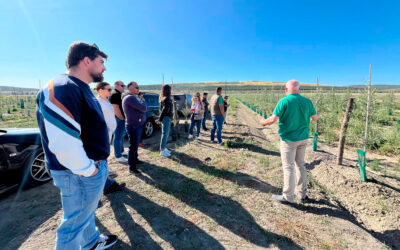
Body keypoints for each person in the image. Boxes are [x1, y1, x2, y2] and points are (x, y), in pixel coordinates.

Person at [36, 42, 118, 249]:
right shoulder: (63, 87)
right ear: (86, 61)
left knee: (84, 213)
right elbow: (63, 141)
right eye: (101, 62)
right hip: (78, 173)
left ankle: (90, 241)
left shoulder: (79, 88)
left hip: (85, 169)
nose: (104, 68)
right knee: (73, 225)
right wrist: (89, 170)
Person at [260, 80, 318, 204]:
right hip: (303, 138)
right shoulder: (307, 102)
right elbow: (315, 117)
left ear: (286, 90)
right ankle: (302, 195)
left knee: (288, 167)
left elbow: (272, 120)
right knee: (301, 165)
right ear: (299, 89)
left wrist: (263, 122)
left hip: (289, 140)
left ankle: (288, 197)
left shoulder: (284, 101)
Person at [95, 82, 126, 194]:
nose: (110, 91)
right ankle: (107, 184)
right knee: (101, 156)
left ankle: (106, 174)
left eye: (110, 89)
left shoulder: (105, 100)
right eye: (108, 89)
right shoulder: (97, 102)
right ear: (100, 90)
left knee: (104, 155)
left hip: (107, 133)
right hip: (102, 134)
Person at [122, 81, 147, 174]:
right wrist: (143, 101)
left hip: (136, 125)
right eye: (136, 87)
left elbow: (141, 109)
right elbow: (144, 108)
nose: (138, 89)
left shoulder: (133, 98)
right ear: (130, 88)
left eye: (138, 87)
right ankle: (131, 167)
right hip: (134, 125)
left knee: (135, 145)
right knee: (133, 146)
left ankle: (135, 160)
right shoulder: (130, 98)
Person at [110, 80, 128, 163]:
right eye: (122, 85)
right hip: (118, 118)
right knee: (118, 137)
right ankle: (118, 155)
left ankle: (121, 151)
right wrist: (122, 118)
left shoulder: (117, 93)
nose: (124, 87)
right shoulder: (115, 94)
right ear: (116, 85)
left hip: (118, 118)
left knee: (120, 136)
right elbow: (115, 108)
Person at [156, 84, 173, 157]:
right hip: (166, 118)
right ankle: (162, 150)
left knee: (165, 134)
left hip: (165, 118)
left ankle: (164, 148)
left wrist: (160, 118)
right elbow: (164, 109)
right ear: (168, 90)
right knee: (165, 134)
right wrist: (160, 119)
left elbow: (162, 109)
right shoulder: (167, 98)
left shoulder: (162, 98)